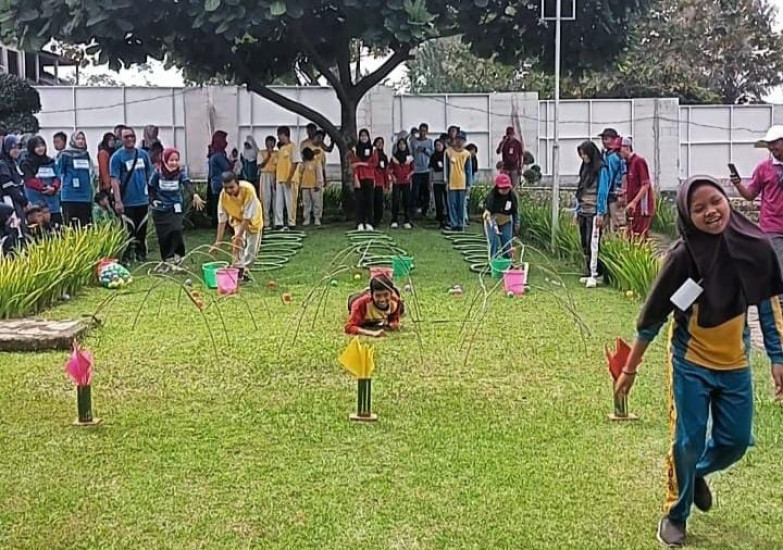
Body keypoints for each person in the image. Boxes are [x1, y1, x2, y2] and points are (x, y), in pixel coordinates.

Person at [614, 176, 783, 548]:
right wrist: (630, 369)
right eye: (699, 208)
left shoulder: (755, 246)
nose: (710, 211)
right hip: (691, 362)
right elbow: (654, 316)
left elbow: (767, 303)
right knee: (688, 440)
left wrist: (777, 356)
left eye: (715, 201)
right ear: (687, 216)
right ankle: (676, 513)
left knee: (736, 441)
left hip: (736, 364)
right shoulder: (682, 257)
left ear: (727, 199)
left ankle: (695, 473)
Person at [730, 125, 783, 274]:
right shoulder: (763, 168)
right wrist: (738, 184)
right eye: (769, 144)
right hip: (773, 228)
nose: (771, 147)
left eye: (775, 143)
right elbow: (750, 195)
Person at [149, 147, 205, 266]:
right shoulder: (157, 173)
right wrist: (153, 200)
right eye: (171, 160)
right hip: (161, 208)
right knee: (164, 234)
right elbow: (151, 187)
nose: (174, 163)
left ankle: (179, 255)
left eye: (176, 160)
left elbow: (187, 184)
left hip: (176, 206)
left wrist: (194, 195)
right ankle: (167, 258)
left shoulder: (180, 173)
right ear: (165, 160)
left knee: (176, 230)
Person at [110, 126, 153, 264]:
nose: (130, 139)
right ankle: (127, 257)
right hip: (127, 201)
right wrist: (118, 201)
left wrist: (152, 196)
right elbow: (114, 180)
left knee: (142, 230)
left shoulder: (143, 155)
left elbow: (149, 176)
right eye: (126, 136)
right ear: (121, 139)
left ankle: (141, 255)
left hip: (143, 200)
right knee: (128, 231)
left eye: (132, 136)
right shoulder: (117, 157)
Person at [211, 172, 263, 281]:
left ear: (237, 184)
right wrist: (218, 242)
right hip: (237, 219)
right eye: (226, 188)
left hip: (253, 219)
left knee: (252, 250)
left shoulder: (248, 190)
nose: (229, 190)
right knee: (238, 245)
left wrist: (238, 236)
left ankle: (246, 269)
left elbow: (247, 217)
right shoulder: (223, 196)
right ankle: (238, 270)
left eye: (231, 187)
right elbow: (222, 220)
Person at [575, 140, 610, 289]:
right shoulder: (585, 168)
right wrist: (577, 210)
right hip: (583, 210)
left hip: (595, 211)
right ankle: (589, 270)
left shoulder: (601, 169)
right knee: (584, 242)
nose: (583, 157)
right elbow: (580, 189)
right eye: (581, 155)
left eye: (585, 154)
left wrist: (601, 212)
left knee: (593, 243)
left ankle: (595, 274)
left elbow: (603, 192)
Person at [21, 136, 62, 228]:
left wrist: (54, 187)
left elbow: (58, 177)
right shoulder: (27, 163)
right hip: (36, 202)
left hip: (53, 202)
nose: (40, 148)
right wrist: (44, 187)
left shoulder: (50, 161)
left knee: (57, 229)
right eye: (37, 146)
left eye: (42, 145)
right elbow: (29, 180)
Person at [620, 137, 655, 240]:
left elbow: (645, 185)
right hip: (634, 207)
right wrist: (625, 192)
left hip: (642, 207)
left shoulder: (638, 161)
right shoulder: (628, 163)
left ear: (626, 148)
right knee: (633, 235)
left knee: (639, 236)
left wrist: (634, 202)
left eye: (620, 149)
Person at [58, 131, 94, 227]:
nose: (81, 141)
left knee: (85, 225)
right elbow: (59, 172)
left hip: (85, 195)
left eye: (83, 139)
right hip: (69, 194)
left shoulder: (86, 154)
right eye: (78, 139)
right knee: (70, 226)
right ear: (73, 140)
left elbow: (91, 172)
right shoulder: (65, 154)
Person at [483, 173, 518, 260]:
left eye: (506, 188)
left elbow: (515, 212)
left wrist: (516, 224)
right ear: (497, 187)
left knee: (506, 241)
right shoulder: (491, 197)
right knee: (493, 241)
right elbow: (487, 212)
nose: (504, 190)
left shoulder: (512, 197)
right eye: (502, 188)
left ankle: (507, 262)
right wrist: (492, 224)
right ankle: (494, 262)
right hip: (492, 220)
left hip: (506, 221)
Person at [598, 128, 626, 232]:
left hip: (615, 195)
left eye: (606, 139)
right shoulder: (606, 155)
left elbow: (623, 175)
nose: (604, 142)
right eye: (603, 139)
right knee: (605, 227)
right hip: (607, 195)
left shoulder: (617, 156)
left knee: (617, 225)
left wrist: (622, 193)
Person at [445, 131, 473, 231]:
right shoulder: (448, 152)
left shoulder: (467, 154)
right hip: (452, 182)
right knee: (452, 204)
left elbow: (469, 170)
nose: (460, 142)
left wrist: (469, 184)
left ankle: (461, 224)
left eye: (462, 140)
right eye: (458, 139)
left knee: (461, 205)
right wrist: (446, 181)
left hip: (462, 182)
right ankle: (454, 224)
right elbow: (446, 168)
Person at [349, 128, 377, 231]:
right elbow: (353, 164)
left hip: (369, 177)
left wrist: (361, 163)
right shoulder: (355, 150)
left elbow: (374, 164)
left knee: (369, 201)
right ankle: (360, 222)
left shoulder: (373, 149)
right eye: (362, 136)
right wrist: (355, 178)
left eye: (365, 136)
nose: (364, 138)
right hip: (359, 177)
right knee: (359, 201)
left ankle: (369, 222)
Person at [274, 126, 300, 230]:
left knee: (290, 202)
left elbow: (295, 162)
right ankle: (278, 222)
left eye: (280, 135)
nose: (278, 138)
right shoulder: (281, 149)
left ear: (285, 135)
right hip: (280, 178)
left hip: (290, 179)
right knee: (278, 202)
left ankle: (291, 222)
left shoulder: (293, 147)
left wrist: (289, 178)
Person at [0, 135, 29, 228]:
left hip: (17, 201)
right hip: (8, 201)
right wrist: (23, 200)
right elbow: (8, 187)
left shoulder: (14, 163)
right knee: (13, 227)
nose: (16, 151)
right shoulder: (3, 164)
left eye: (18, 148)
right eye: (13, 148)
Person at [207, 130, 232, 228]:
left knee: (216, 203)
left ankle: (216, 222)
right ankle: (219, 223)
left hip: (215, 182)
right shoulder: (218, 156)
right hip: (220, 183)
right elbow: (227, 167)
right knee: (220, 204)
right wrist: (233, 162)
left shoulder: (215, 154)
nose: (226, 142)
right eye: (224, 140)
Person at [410, 123, 434, 217]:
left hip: (426, 169)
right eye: (421, 131)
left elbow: (432, 153)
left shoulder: (429, 142)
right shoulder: (414, 141)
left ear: (427, 132)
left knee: (426, 190)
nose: (422, 133)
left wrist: (424, 150)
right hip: (416, 169)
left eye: (424, 131)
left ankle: (425, 209)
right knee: (415, 190)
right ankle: (413, 209)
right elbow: (411, 153)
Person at [390, 137, 414, 229]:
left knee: (406, 201)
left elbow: (413, 169)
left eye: (403, 144)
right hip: (397, 182)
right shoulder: (394, 157)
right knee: (395, 200)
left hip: (406, 182)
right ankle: (394, 220)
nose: (401, 146)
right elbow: (390, 168)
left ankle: (407, 220)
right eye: (400, 144)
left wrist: (409, 175)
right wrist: (393, 176)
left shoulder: (410, 158)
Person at [298, 147, 324, 227]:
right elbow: (300, 171)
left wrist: (318, 184)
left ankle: (317, 218)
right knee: (306, 203)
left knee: (317, 202)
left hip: (314, 186)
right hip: (305, 185)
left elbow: (319, 173)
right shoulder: (304, 163)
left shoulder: (316, 161)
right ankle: (306, 218)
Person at [259, 135, 277, 229]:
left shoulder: (277, 153)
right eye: (268, 143)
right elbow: (260, 166)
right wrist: (268, 156)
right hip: (265, 175)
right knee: (265, 198)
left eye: (271, 143)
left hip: (274, 175)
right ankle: (266, 222)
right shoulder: (261, 153)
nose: (270, 145)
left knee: (275, 199)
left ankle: (276, 221)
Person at [430, 139, 449, 229]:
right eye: (437, 145)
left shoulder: (447, 155)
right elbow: (431, 169)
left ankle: (448, 220)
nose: (438, 147)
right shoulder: (433, 156)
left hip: (446, 181)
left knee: (447, 201)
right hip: (436, 181)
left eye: (440, 145)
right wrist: (431, 181)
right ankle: (440, 219)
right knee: (438, 201)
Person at [372, 137, 390, 228]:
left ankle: (378, 220)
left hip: (380, 182)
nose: (380, 144)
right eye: (378, 142)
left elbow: (386, 171)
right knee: (371, 201)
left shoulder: (384, 156)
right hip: (372, 180)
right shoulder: (372, 154)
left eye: (381, 142)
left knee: (379, 202)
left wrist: (387, 184)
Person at [465, 143, 479, 225]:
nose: (473, 153)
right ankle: (465, 217)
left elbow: (474, 169)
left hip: (471, 177)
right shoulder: (466, 157)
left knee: (468, 198)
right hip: (465, 179)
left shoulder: (474, 159)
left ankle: (467, 216)